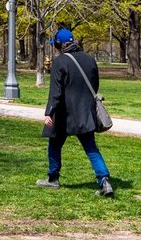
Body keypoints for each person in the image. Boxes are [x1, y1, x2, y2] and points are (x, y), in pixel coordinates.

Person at [35, 28, 114, 198]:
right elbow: (95, 85)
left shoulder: (59, 62)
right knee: (91, 148)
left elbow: (55, 92)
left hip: (64, 113)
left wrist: (49, 112)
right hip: (85, 112)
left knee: (54, 144)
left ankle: (53, 178)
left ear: (60, 44)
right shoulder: (90, 60)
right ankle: (104, 180)